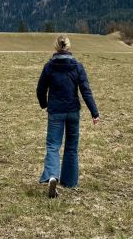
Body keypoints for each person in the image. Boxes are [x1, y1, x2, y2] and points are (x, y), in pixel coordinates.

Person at [36, 34, 100, 198]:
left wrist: (44, 104)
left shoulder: (49, 67)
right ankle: (70, 181)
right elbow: (85, 90)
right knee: (71, 147)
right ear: (69, 47)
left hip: (56, 111)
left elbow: (40, 89)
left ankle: (52, 176)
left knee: (53, 145)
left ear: (56, 47)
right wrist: (94, 113)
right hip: (73, 112)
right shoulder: (78, 67)